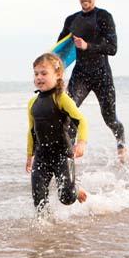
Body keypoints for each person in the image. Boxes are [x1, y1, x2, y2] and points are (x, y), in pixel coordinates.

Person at [58, 0, 126, 160]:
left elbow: (112, 48)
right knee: (68, 115)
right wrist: (56, 73)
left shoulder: (104, 17)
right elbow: (60, 52)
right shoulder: (71, 20)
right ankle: (68, 157)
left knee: (110, 118)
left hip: (102, 74)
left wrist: (87, 45)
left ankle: (121, 144)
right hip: (80, 74)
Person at [26, 52, 88, 211]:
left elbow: (81, 121)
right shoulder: (33, 102)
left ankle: (75, 189)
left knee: (66, 198)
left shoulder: (61, 98)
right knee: (38, 198)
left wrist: (81, 142)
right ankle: (43, 228)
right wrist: (29, 156)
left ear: (58, 75)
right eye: (36, 73)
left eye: (44, 73)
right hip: (42, 156)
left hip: (62, 154)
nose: (39, 77)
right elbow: (32, 131)